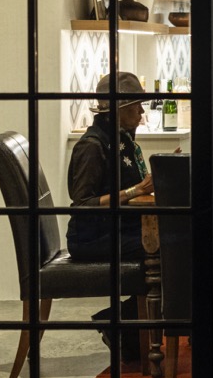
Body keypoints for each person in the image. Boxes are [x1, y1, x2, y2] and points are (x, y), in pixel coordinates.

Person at [66, 71, 154, 262]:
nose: (141, 111)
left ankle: (145, 293)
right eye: (136, 105)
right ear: (119, 110)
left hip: (119, 229)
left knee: (176, 234)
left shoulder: (120, 139)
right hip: (93, 238)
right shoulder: (92, 146)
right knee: (169, 243)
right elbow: (83, 205)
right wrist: (136, 190)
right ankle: (144, 293)